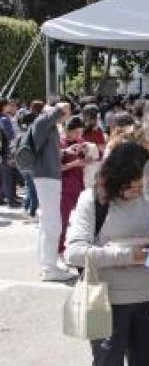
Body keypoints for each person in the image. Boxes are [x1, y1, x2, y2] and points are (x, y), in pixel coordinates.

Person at [64, 142, 149, 366]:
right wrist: (126, 254)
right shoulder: (92, 201)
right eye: (130, 186)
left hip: (148, 302)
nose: (136, 190)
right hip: (105, 303)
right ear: (115, 179)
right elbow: (74, 252)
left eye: (140, 183)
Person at [31, 101, 76, 281]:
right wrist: (59, 109)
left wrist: (64, 151)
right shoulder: (44, 121)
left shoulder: (47, 125)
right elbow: (56, 112)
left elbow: (47, 150)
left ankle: (46, 264)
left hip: (48, 176)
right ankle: (49, 268)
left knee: (48, 223)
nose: (68, 114)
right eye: (67, 111)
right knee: (52, 224)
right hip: (46, 176)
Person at [59, 116, 89, 253]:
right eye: (76, 132)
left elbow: (87, 159)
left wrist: (87, 159)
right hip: (64, 187)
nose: (79, 135)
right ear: (67, 130)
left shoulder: (80, 142)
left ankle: (83, 244)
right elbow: (56, 167)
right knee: (63, 220)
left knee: (84, 217)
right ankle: (60, 247)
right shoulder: (60, 143)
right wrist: (73, 164)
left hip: (80, 185)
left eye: (80, 132)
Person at [0, 98, 21, 208]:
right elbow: (11, 136)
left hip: (1, 151)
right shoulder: (5, 119)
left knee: (2, 176)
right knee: (8, 176)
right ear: (4, 106)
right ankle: (11, 201)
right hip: (6, 151)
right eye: (8, 105)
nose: (10, 107)